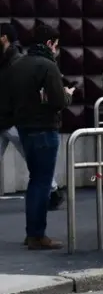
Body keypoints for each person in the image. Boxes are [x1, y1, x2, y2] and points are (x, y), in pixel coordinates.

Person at [8, 24, 74, 249]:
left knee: (35, 181)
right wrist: (68, 95)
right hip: (45, 129)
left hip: (24, 127)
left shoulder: (18, 64)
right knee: (42, 182)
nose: (56, 50)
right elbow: (58, 102)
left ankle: (32, 232)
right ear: (49, 43)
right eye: (56, 45)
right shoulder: (48, 66)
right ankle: (37, 234)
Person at [0, 23, 65, 211]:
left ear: (4, 37)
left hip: (12, 119)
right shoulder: (17, 59)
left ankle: (52, 191)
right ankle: (52, 192)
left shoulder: (15, 60)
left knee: (33, 160)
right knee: (34, 161)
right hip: (10, 118)